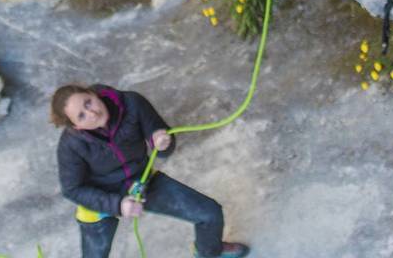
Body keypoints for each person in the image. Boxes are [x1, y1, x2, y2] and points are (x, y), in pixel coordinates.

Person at [52, 83, 250, 258]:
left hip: (142, 180)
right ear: (76, 127)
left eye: (88, 102)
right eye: (81, 115)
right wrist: (117, 205)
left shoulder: (131, 103)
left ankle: (209, 252)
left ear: (92, 93)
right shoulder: (71, 145)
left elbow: (161, 138)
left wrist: (162, 142)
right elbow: (72, 189)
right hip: (101, 196)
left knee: (210, 213)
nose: (92, 113)